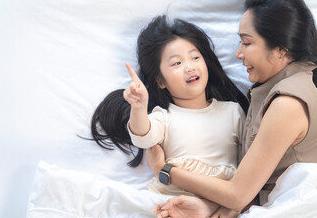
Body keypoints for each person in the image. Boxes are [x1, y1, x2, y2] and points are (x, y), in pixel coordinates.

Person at [149, 0, 317, 217]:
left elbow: (238, 194)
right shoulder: (271, 90)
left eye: (246, 42)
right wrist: (211, 206)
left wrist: (164, 169)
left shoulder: (287, 104)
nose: (238, 53)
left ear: (281, 49)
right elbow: (249, 187)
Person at [91, 15, 249, 199]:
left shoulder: (232, 111)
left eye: (195, 57)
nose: (189, 67)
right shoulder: (164, 117)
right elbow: (143, 137)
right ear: (160, 81)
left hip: (223, 197)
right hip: (171, 199)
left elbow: (249, 164)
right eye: (177, 63)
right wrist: (139, 107)